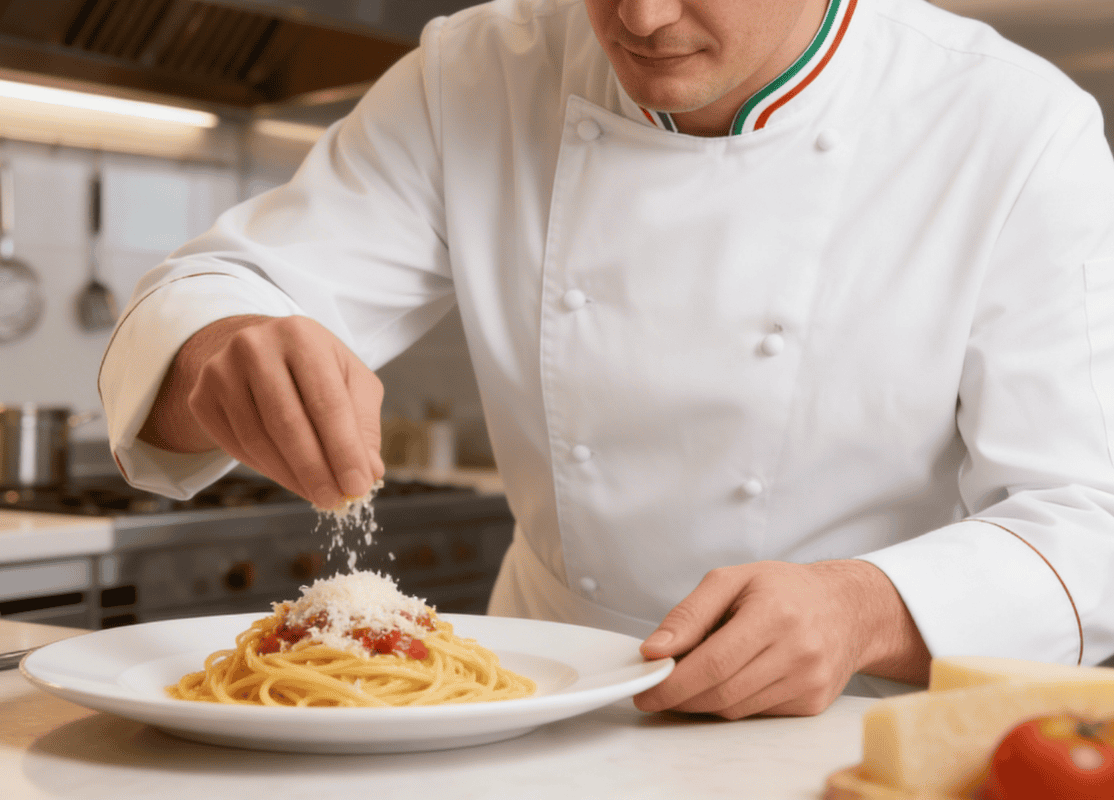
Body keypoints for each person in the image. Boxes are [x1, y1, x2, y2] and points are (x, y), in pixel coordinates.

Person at [100, 0, 1114, 719]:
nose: (640, 16)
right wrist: (219, 349)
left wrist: (864, 608)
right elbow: (213, 289)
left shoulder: (1013, 127)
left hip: (852, 728)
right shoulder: (476, 71)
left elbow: (1089, 518)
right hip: (535, 716)